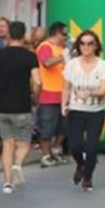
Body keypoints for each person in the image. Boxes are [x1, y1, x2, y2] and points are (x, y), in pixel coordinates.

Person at [0, 21, 40, 194]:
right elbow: (38, 81)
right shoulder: (30, 56)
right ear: (24, 36)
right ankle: (17, 164)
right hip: (22, 105)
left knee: (7, 143)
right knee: (24, 143)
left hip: (0, 106)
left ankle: (7, 183)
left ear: (8, 34)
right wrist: (35, 97)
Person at [62, 29, 105, 191]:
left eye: (90, 43)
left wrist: (89, 93)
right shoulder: (72, 65)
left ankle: (88, 177)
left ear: (96, 45)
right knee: (75, 146)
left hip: (95, 112)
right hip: (76, 110)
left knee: (91, 148)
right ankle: (80, 165)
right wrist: (63, 105)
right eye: (82, 43)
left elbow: (104, 90)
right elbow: (66, 87)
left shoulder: (103, 65)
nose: (86, 46)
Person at [36, 22, 69, 167]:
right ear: (56, 33)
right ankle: (45, 155)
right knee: (47, 126)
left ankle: (56, 149)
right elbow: (47, 63)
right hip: (48, 92)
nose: (66, 37)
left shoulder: (63, 48)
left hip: (64, 93)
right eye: (64, 34)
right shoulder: (45, 47)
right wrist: (63, 57)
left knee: (63, 126)